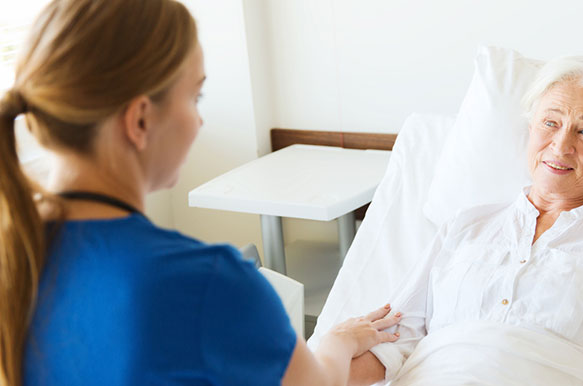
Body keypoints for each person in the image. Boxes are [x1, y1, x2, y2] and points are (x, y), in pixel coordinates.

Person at [0, 1, 400, 385]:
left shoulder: (16, 257)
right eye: (195, 97)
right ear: (140, 120)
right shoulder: (207, 282)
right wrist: (337, 342)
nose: (199, 119)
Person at [349, 57, 583, 385]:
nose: (561, 145)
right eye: (550, 123)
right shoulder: (466, 225)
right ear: (531, 129)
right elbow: (395, 338)